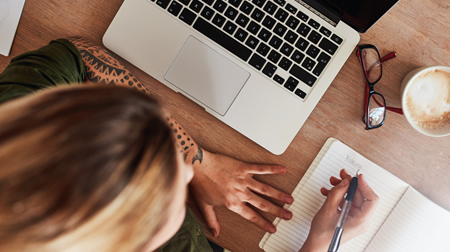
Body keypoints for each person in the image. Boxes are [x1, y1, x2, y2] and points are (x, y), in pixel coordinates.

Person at [0, 38, 379, 251]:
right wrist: (323, 244)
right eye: (169, 185)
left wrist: (200, 162)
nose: (183, 168)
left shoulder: (14, 125)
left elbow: (79, 56)